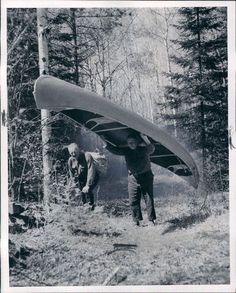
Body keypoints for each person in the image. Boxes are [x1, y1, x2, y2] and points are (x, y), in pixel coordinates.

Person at [103, 133, 157, 226]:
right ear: (127, 143)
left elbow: (151, 148)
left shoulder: (143, 149)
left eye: (133, 142)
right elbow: (115, 150)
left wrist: (145, 138)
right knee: (133, 199)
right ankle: (136, 220)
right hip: (133, 178)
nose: (131, 144)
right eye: (129, 143)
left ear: (137, 142)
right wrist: (105, 141)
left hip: (146, 176)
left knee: (148, 198)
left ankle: (151, 220)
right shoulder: (126, 151)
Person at [67, 143, 99, 210]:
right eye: (71, 153)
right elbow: (71, 174)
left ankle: (91, 208)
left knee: (88, 191)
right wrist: (74, 185)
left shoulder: (87, 156)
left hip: (93, 176)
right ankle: (85, 208)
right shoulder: (71, 160)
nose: (73, 154)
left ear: (78, 150)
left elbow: (91, 170)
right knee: (81, 193)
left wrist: (88, 185)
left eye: (74, 152)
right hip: (81, 178)